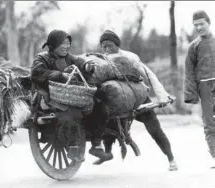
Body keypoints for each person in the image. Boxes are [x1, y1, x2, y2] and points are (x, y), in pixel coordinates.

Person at [94, 30, 178, 171]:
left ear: (117, 44)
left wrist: (162, 96)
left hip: (138, 98)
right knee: (107, 122)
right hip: (117, 101)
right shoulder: (102, 60)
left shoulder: (129, 57)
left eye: (110, 45)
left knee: (154, 129)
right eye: (104, 47)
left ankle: (171, 158)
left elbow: (148, 74)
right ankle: (107, 152)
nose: (107, 49)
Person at [30, 29, 112, 161]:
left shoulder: (69, 57)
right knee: (72, 113)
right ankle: (73, 148)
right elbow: (36, 73)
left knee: (101, 109)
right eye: (63, 43)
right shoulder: (42, 58)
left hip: (69, 94)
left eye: (68, 43)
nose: (66, 46)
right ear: (53, 44)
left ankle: (96, 146)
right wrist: (60, 75)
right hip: (50, 95)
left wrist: (87, 67)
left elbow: (79, 62)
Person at [184, 10, 215, 169]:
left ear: (208, 23)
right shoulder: (193, 46)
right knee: (209, 123)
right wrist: (191, 95)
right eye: (196, 25)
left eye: (201, 23)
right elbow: (189, 71)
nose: (199, 27)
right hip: (204, 85)